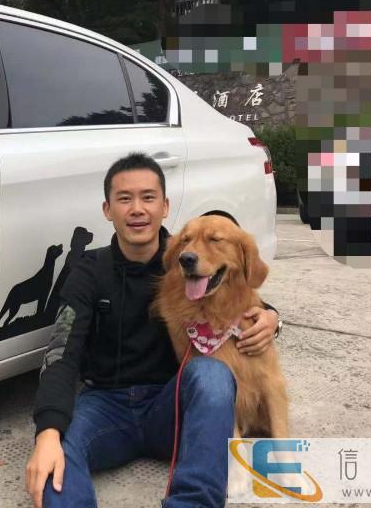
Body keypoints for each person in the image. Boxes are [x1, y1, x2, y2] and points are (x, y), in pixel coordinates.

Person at [24, 153, 280, 508]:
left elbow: (242, 295)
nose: (137, 209)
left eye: (148, 197)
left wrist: (271, 316)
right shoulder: (88, 271)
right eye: (124, 198)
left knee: (211, 374)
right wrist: (48, 433)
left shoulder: (188, 256)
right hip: (105, 406)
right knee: (55, 459)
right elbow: (61, 353)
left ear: (164, 206)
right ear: (107, 209)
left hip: (172, 405)